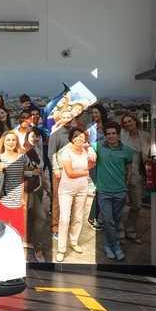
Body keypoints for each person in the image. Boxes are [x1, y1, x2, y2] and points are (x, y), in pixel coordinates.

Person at [95, 121, 134, 261]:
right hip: (104, 191)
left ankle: (108, 244)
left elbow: (129, 171)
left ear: (118, 135)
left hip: (120, 192)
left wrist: (126, 187)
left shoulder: (127, 151)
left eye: (113, 133)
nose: (111, 136)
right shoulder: (98, 146)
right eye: (108, 134)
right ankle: (115, 246)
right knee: (108, 221)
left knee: (116, 221)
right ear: (105, 135)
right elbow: (82, 145)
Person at [56, 127, 96, 262]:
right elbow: (70, 173)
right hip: (66, 190)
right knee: (64, 218)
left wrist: (90, 149)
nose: (79, 138)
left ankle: (73, 242)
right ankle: (61, 249)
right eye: (76, 136)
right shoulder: (66, 152)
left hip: (82, 189)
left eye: (82, 136)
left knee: (78, 217)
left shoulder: (86, 151)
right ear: (71, 138)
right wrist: (85, 172)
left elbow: (92, 163)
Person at [0, 131, 30, 253]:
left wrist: (22, 197)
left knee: (17, 230)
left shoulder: (22, 157)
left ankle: (15, 251)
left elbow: (22, 177)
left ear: (17, 142)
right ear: (3, 142)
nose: (11, 142)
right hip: (2, 198)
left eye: (13, 140)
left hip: (17, 199)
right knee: (2, 229)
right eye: (8, 140)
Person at [120, 112, 151, 242]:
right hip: (121, 173)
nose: (128, 124)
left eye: (130, 121)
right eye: (125, 122)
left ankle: (130, 230)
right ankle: (120, 232)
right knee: (120, 205)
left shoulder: (145, 136)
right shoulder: (122, 134)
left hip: (137, 174)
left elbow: (150, 154)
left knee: (137, 205)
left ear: (135, 121)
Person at [48, 107, 76, 239]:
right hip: (59, 171)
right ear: (60, 119)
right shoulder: (56, 134)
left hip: (73, 171)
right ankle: (55, 228)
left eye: (69, 117)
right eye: (64, 117)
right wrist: (55, 169)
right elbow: (51, 154)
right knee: (57, 200)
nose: (67, 120)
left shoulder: (75, 133)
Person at [24, 127, 48, 262]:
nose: (35, 138)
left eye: (37, 136)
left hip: (38, 187)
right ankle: (37, 249)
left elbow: (41, 169)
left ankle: (30, 241)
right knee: (41, 217)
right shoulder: (24, 151)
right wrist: (31, 173)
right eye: (33, 136)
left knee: (32, 217)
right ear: (27, 136)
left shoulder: (38, 149)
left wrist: (46, 187)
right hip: (27, 190)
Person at [87, 103, 109, 231]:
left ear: (102, 113)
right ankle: (93, 217)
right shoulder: (90, 128)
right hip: (94, 163)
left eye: (96, 112)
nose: (94, 115)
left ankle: (98, 216)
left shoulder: (108, 126)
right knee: (100, 189)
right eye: (93, 113)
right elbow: (85, 143)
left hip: (107, 162)